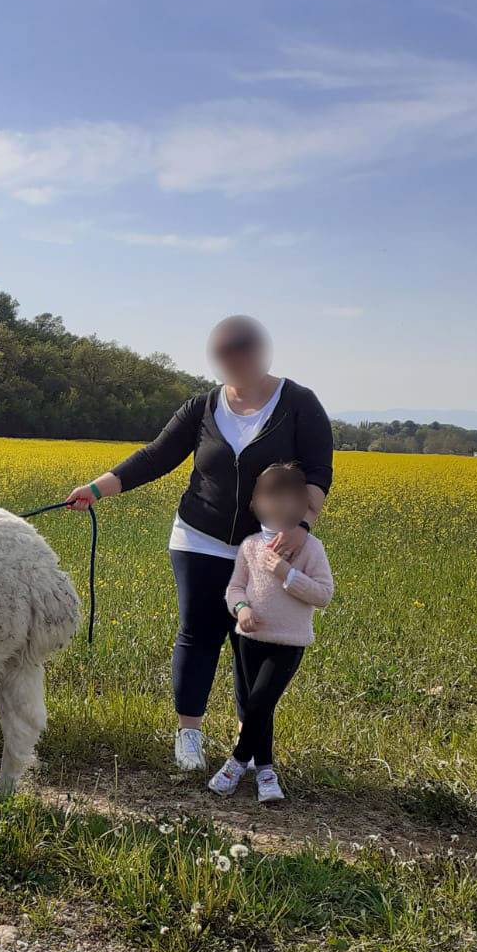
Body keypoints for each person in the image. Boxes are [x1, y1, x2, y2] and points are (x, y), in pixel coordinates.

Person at [63, 315, 333, 774]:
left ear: (260, 353)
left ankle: (248, 746)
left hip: (266, 545)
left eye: (242, 351)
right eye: (225, 354)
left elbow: (318, 471)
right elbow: (155, 456)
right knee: (198, 633)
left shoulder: (299, 403)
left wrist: (302, 527)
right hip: (198, 538)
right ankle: (189, 734)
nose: (234, 361)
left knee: (255, 641)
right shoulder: (202, 407)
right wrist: (96, 487)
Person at [213, 463, 335, 802]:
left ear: (302, 505)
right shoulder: (250, 546)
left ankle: (237, 762)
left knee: (258, 705)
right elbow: (235, 589)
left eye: (288, 499)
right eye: (270, 498)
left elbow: (324, 595)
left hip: (287, 643)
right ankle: (266, 773)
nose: (278, 507)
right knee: (257, 708)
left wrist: (286, 573)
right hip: (248, 639)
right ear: (255, 502)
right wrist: (242, 609)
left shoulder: (310, 548)